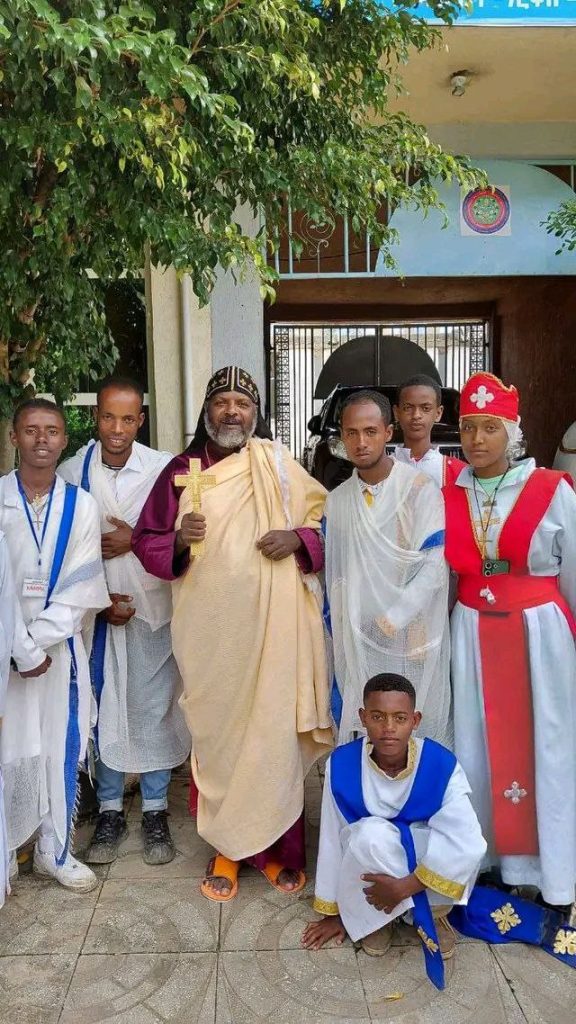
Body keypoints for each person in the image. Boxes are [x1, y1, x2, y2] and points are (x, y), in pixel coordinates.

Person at [132, 366, 333, 901]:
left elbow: (325, 520)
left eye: (242, 404)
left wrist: (297, 539)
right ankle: (226, 848)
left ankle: (278, 851)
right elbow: (146, 540)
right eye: (221, 402)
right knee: (219, 737)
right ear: (207, 410)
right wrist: (179, 539)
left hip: (274, 631)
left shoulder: (278, 466)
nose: (231, 412)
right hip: (210, 636)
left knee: (272, 735)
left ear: (255, 413)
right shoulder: (182, 470)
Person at [444, 371, 576, 914]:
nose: (477, 439)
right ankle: (490, 860)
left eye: (490, 427)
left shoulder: (550, 489)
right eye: (468, 427)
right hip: (472, 631)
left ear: (512, 432)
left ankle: (552, 872)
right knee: (475, 743)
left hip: (537, 636)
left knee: (547, 742)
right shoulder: (450, 490)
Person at [58, 377, 191, 866]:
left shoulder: (163, 471)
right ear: (96, 417)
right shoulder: (73, 472)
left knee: (153, 708)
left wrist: (133, 538)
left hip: (152, 610)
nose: (117, 428)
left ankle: (155, 810)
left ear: (141, 420)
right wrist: (97, 603)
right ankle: (110, 810)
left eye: (128, 418)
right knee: (104, 707)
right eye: (109, 417)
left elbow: (185, 535)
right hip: (95, 615)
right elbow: (63, 547)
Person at [302, 674, 486, 990]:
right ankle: (379, 915)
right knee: (368, 835)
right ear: (362, 717)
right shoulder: (342, 764)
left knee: (456, 845)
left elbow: (468, 841)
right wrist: (334, 911)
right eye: (378, 717)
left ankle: (433, 912)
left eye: (400, 718)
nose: (389, 727)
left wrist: (404, 887)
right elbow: (332, 837)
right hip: (376, 854)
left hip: (423, 860)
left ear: (415, 720)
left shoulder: (440, 765)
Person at [0, 399, 109, 891]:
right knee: (10, 749)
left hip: (58, 653)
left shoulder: (81, 505)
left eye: (51, 431)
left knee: (60, 746)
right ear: (14, 437)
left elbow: (82, 587)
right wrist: (17, 650)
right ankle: (6, 850)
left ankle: (54, 849)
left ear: (65, 440)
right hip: (5, 656)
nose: (41, 439)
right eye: (31, 430)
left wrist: (34, 644)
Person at [323, 390, 450, 745]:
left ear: (388, 432)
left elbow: (434, 569)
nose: (361, 442)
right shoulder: (337, 501)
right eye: (351, 433)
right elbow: (336, 575)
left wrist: (391, 620)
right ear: (342, 437)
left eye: (370, 431)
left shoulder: (419, 489)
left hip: (409, 635)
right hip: (358, 636)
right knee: (366, 729)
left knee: (413, 728)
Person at [393, 374, 465, 487]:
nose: (416, 415)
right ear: (397, 413)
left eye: (425, 408)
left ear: (438, 413)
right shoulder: (382, 470)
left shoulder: (459, 473)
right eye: (408, 408)